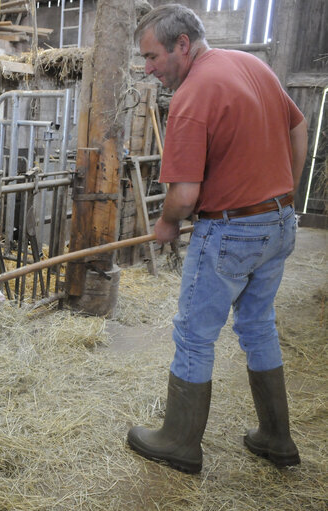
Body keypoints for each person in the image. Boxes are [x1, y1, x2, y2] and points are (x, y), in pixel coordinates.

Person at [127, 4, 308, 474]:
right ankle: (276, 437)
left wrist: (166, 224)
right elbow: (299, 125)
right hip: (278, 221)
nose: (147, 68)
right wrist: (285, 191)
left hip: (231, 229)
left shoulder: (191, 96)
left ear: (182, 45)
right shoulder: (253, 67)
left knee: (193, 334)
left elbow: (184, 196)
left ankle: (179, 441)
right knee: (258, 326)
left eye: (151, 56)